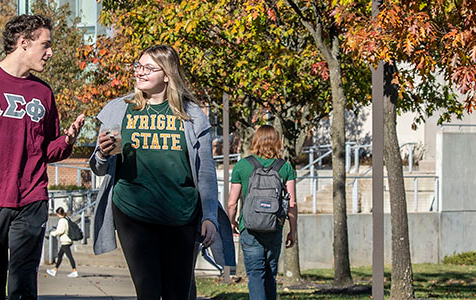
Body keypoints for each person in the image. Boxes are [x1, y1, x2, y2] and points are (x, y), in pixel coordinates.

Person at [0, 14, 86, 300]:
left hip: (31, 198)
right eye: (45, 45)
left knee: (23, 280)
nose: (50, 52)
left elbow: (46, 150)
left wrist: (67, 140)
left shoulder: (43, 93)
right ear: (23, 43)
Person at [88, 45, 234, 300]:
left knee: (177, 292)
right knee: (148, 291)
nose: (139, 73)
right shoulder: (119, 109)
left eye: (148, 68)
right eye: (138, 66)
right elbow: (99, 167)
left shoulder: (192, 115)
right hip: (133, 212)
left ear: (167, 74)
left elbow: (206, 173)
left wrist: (209, 215)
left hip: (181, 214)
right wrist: (101, 153)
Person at [226, 125, 298, 300]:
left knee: (256, 276)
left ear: (255, 141)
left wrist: (232, 222)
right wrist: (293, 231)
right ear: (277, 142)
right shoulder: (285, 167)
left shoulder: (242, 166)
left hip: (249, 228)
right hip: (274, 228)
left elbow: (231, 202)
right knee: (270, 276)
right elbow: (292, 203)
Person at [47, 207, 79, 278]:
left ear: (58, 213)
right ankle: (54, 270)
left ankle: (74, 271)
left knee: (69, 256)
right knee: (60, 255)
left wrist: (52, 233)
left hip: (65, 241)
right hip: (67, 240)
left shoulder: (62, 220)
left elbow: (60, 231)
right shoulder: (66, 219)